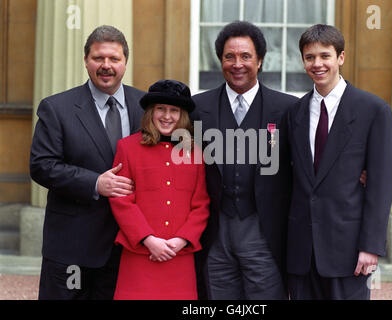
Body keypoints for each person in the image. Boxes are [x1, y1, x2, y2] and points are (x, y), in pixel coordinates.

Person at [30, 25, 145, 300]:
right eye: (98, 58)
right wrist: (95, 182)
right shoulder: (57, 108)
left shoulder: (147, 106)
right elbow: (42, 165)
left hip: (128, 246)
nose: (106, 66)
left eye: (114, 59)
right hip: (73, 248)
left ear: (125, 62)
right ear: (86, 61)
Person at [190, 21, 299, 300]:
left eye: (245, 56)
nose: (237, 64)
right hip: (215, 234)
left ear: (260, 60)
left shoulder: (287, 109)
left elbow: (306, 162)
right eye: (230, 57)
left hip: (265, 232)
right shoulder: (197, 109)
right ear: (220, 61)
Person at [286, 24, 392, 300]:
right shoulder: (294, 113)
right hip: (302, 252)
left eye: (325, 56)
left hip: (348, 251)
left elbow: (381, 184)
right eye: (310, 57)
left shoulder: (373, 110)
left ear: (341, 58)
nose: (317, 64)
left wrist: (371, 246)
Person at [109, 79, 210, 300]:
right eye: (160, 109)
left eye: (174, 110)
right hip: (139, 256)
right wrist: (148, 239)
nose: (166, 116)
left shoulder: (195, 153)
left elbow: (201, 204)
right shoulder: (127, 148)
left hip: (179, 256)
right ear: (150, 113)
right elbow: (121, 200)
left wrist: (181, 240)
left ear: (182, 115)